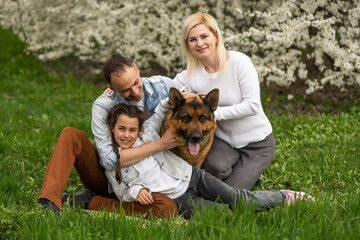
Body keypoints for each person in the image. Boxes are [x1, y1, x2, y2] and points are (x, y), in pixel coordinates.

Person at [37, 56, 187, 218]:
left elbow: (194, 100)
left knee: (166, 209)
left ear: (137, 69)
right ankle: (49, 201)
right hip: (111, 179)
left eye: (136, 82)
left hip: (150, 182)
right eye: (125, 90)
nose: (135, 92)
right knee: (70, 135)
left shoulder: (162, 86)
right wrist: (160, 144)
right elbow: (109, 161)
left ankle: (87, 202)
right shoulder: (103, 105)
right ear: (112, 88)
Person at [105, 103, 313, 219]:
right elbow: (122, 193)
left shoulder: (146, 136)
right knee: (226, 214)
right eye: (121, 129)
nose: (127, 135)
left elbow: (162, 107)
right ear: (111, 129)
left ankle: (283, 197)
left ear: (139, 129)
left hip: (192, 177)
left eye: (132, 129)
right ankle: (259, 210)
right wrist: (136, 191)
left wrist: (183, 91)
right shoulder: (111, 162)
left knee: (239, 199)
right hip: (178, 199)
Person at [173, 13, 275, 190]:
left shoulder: (239, 62)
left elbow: (252, 105)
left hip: (257, 144)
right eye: (193, 39)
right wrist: (187, 93)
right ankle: (231, 166)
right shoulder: (191, 73)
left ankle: (255, 177)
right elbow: (168, 85)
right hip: (224, 142)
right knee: (214, 170)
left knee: (230, 194)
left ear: (215, 36)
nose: (199, 43)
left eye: (204, 36)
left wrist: (214, 113)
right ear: (187, 44)